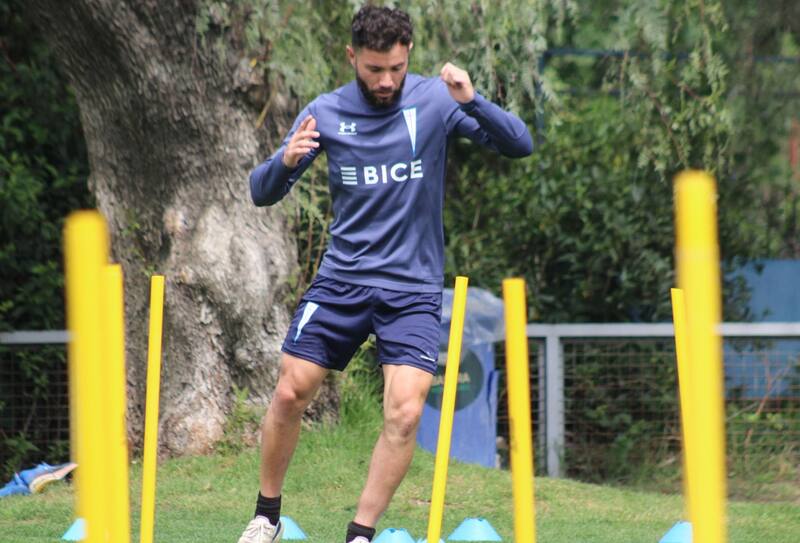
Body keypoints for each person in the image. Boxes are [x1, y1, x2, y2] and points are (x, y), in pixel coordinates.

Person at [239, 5, 532, 543]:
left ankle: (360, 534)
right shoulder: (325, 112)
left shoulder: (437, 101)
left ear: (409, 55)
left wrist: (472, 99)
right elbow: (261, 192)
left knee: (404, 411)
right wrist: (284, 164)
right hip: (343, 280)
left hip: (413, 289)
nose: (386, 80)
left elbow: (520, 143)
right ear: (353, 57)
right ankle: (266, 517)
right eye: (374, 69)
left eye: (395, 68)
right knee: (288, 392)